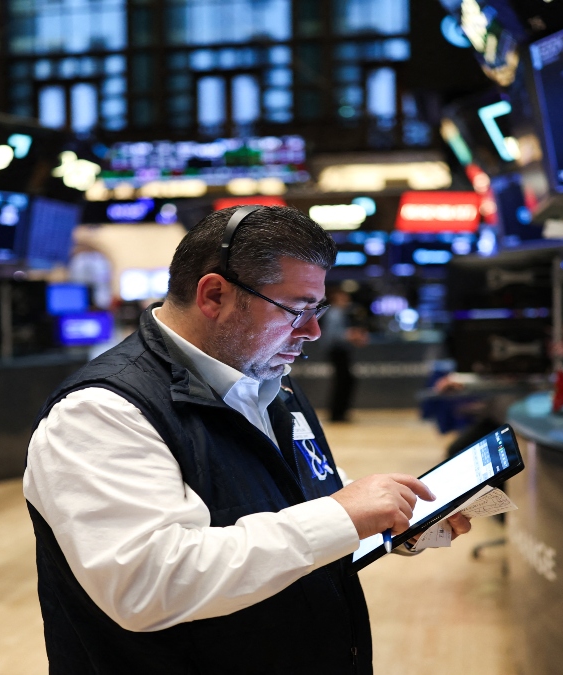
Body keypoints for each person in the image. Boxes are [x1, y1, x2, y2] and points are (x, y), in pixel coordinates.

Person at [24, 206, 471, 674]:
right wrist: (341, 516)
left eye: (317, 311)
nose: (313, 331)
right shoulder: (101, 412)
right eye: (297, 310)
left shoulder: (267, 378)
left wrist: (393, 515)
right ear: (214, 294)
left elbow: (292, 496)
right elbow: (147, 585)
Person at [320, 287, 369, 422]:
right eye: (344, 298)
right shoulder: (334, 313)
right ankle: (337, 414)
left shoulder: (339, 313)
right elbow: (333, 335)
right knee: (343, 382)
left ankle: (340, 413)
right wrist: (352, 335)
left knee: (345, 381)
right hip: (337, 352)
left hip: (340, 352)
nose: (347, 301)